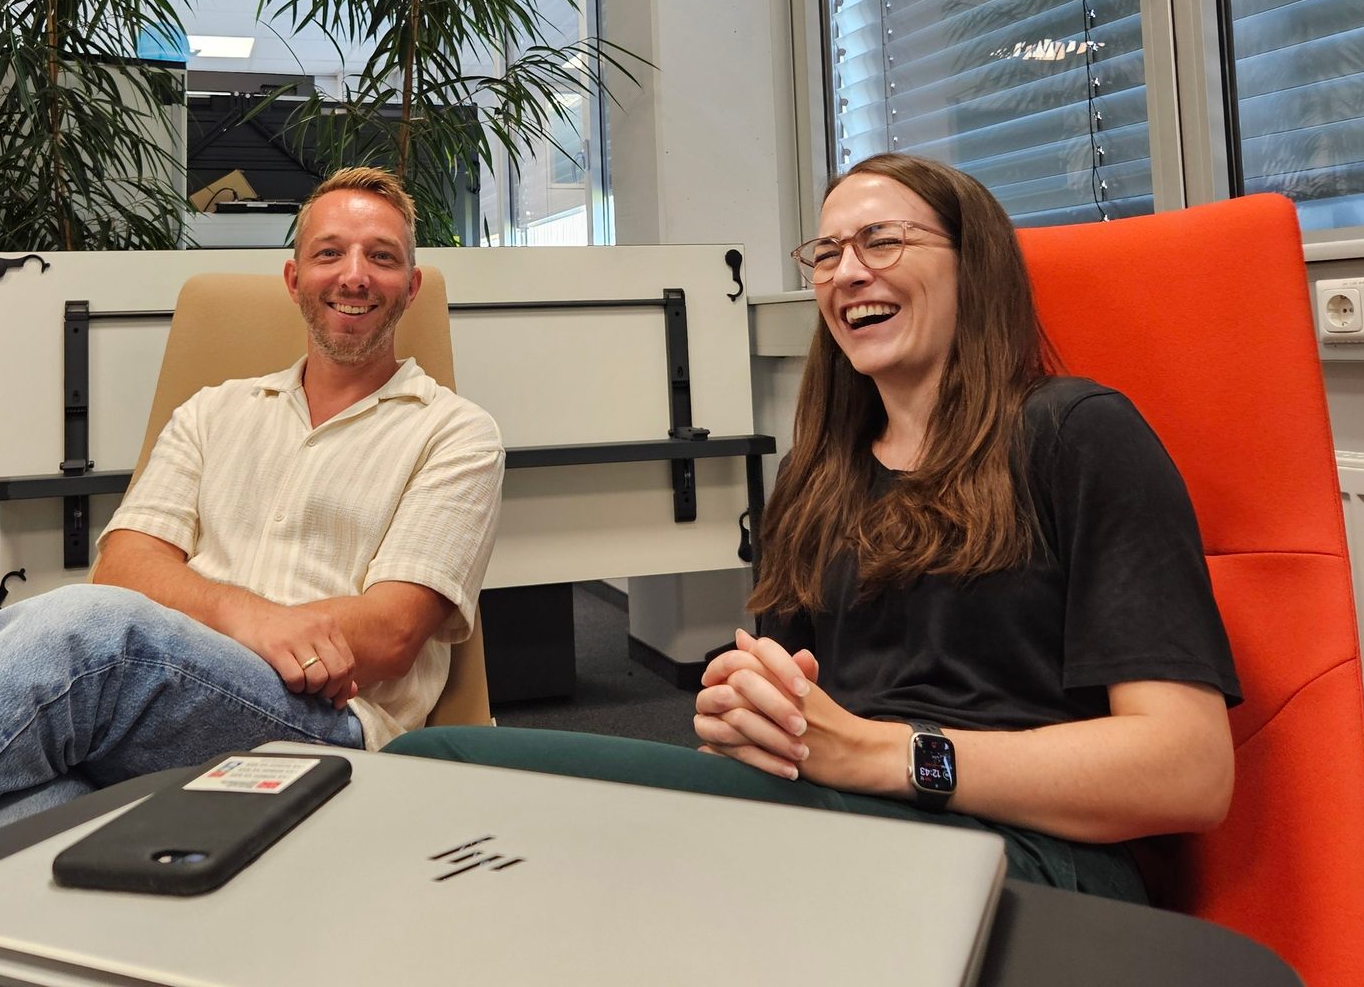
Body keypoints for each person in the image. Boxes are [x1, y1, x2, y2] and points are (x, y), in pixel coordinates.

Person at [0, 167, 503, 958]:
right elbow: (128, 566)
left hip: (328, 726)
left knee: (70, 634)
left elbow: (390, 634)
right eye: (329, 253)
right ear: (293, 279)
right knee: (25, 804)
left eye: (380, 257)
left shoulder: (454, 433)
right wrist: (258, 618)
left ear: (411, 286)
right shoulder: (214, 411)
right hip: (172, 702)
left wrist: (200, 617)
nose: (352, 275)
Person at [389, 152, 1239, 900]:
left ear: (973, 267)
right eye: (827, 254)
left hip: (1030, 853)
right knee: (442, 773)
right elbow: (808, 722)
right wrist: (749, 718)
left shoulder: (1076, 434)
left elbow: (1188, 771)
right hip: (842, 816)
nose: (846, 273)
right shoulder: (816, 475)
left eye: (882, 242)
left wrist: (885, 755)